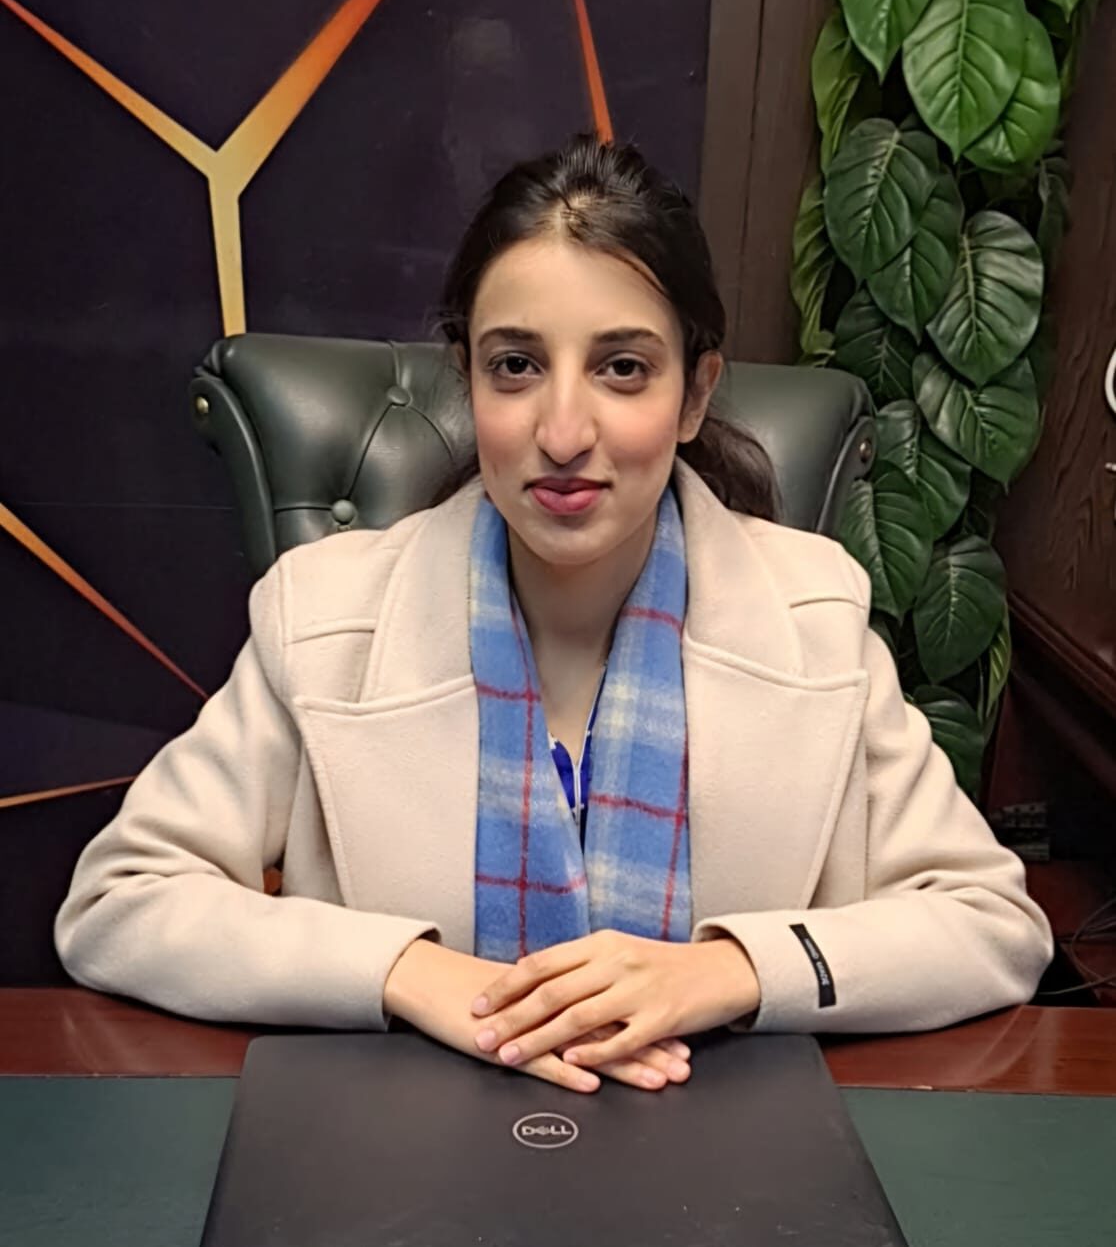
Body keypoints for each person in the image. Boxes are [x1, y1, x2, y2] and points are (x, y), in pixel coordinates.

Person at [55, 135, 1052, 1095]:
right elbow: (118, 902)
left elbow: (989, 922)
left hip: (721, 1152)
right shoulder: (323, 618)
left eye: (623, 368)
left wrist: (731, 969)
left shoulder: (816, 617)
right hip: (397, 1149)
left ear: (695, 395)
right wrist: (411, 972)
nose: (565, 432)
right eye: (516, 366)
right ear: (467, 380)